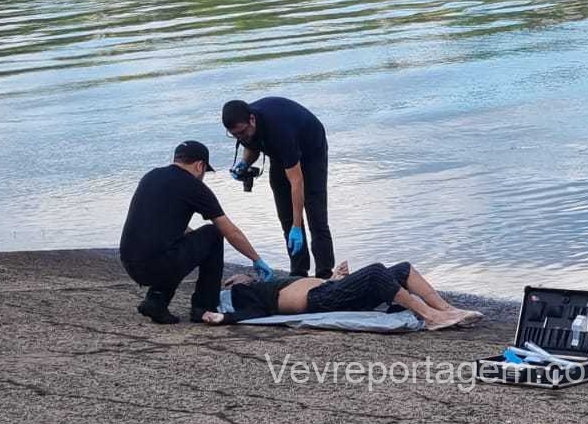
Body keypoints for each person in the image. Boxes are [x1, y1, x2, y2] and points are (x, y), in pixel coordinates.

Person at [119, 140, 275, 324]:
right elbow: (229, 230)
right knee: (213, 233)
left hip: (129, 262)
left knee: (178, 244)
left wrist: (197, 246)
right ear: (200, 165)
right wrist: (256, 259)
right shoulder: (193, 187)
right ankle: (204, 306)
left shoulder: (151, 176)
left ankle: (156, 301)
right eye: (204, 172)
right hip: (155, 265)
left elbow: (164, 226)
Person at [221, 97, 333, 279]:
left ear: (252, 119)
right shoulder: (243, 128)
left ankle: (325, 273)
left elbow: (296, 182)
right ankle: (298, 272)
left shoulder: (279, 130)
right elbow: (252, 145)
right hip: (280, 155)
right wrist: (243, 164)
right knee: (285, 215)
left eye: (242, 132)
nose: (240, 137)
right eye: (235, 135)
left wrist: (297, 226)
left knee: (316, 214)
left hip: (311, 151)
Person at [202, 260, 484, 330]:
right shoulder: (246, 296)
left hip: (328, 290)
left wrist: (335, 278)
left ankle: (447, 311)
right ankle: (430, 316)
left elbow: (309, 282)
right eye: (240, 281)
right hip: (319, 301)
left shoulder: (259, 283)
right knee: (375, 272)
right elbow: (255, 314)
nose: (241, 279)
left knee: (401, 269)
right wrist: (224, 317)